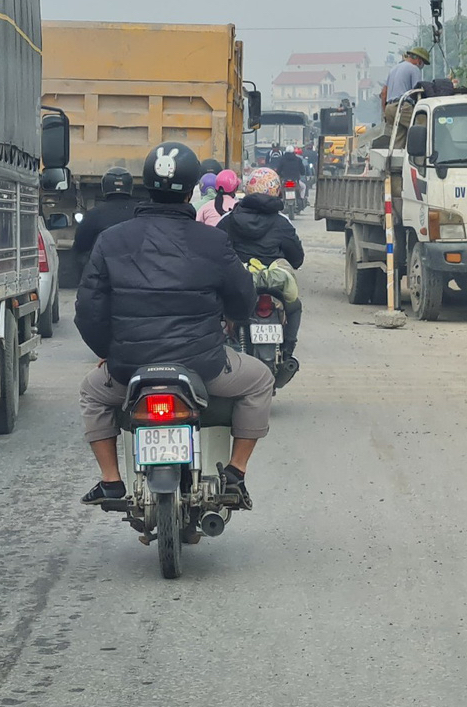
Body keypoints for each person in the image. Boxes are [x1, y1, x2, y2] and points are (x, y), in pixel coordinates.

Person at [75, 142, 277, 510]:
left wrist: (108, 352)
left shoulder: (111, 240)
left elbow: (88, 310)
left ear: (145, 185)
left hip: (127, 367)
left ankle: (110, 481)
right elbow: (243, 301)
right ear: (191, 190)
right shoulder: (214, 240)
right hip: (204, 366)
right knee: (262, 379)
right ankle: (235, 472)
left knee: (92, 392)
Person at [220, 166, 307, 360]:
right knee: (295, 306)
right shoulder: (283, 222)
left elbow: (214, 253)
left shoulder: (229, 219)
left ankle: (220, 346)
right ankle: (288, 348)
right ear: (277, 191)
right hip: (274, 284)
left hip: (239, 284)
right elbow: (297, 259)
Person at [69, 166, 140, 267]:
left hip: (103, 273)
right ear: (130, 187)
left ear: (104, 187)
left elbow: (81, 245)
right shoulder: (139, 213)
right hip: (137, 272)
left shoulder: (94, 214)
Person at [380, 47, 427, 149]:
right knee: (423, 128)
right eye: (423, 63)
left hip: (390, 108)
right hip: (402, 107)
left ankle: (396, 163)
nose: (422, 66)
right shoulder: (414, 69)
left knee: (399, 136)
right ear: (419, 60)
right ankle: (421, 160)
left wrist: (384, 112)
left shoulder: (393, 69)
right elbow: (417, 91)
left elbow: (384, 93)